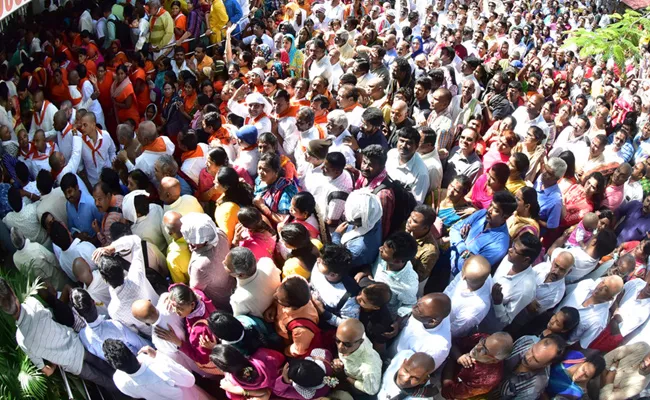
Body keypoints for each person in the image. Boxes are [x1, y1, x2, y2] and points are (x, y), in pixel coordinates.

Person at [0, 278, 118, 392]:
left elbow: (47, 372)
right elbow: (51, 317)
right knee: (108, 367)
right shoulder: (32, 303)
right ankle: (131, 384)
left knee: (103, 381)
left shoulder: (22, 341)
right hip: (79, 344)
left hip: (73, 365)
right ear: (13, 293)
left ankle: (127, 394)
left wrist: (53, 362)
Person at [94, 235, 160, 336]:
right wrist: (112, 247)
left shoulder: (114, 310)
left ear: (104, 280)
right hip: (163, 312)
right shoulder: (136, 277)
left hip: (153, 334)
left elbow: (133, 331)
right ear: (121, 269)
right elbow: (136, 241)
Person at [102, 340, 212, 400]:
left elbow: (136, 396)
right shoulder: (158, 365)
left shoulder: (118, 380)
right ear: (131, 352)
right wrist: (157, 355)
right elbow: (189, 380)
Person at [481, 233, 542, 333]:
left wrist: (498, 303)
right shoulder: (509, 258)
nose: (510, 250)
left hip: (486, 325)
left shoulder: (525, 290)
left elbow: (506, 320)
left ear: (526, 259)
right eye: (513, 245)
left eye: (515, 250)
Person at [155, 284, 219, 376]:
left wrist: (178, 343)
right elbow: (179, 286)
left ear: (192, 305)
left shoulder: (199, 330)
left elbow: (203, 359)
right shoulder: (197, 295)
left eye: (180, 309)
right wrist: (171, 295)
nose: (176, 312)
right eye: (174, 306)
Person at [448, 190, 516, 277]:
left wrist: (462, 248)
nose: (489, 210)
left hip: (460, 276)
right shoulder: (482, 214)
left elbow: (475, 266)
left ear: (505, 217)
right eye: (491, 205)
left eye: (495, 210)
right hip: (448, 259)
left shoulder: (499, 244)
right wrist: (465, 248)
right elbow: (454, 229)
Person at [71, 288, 150, 361]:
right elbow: (142, 344)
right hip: (141, 360)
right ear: (93, 302)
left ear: (79, 314)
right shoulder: (114, 325)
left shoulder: (83, 336)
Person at [180, 212, 233, 311]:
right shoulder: (220, 234)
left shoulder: (200, 266)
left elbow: (195, 291)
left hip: (220, 302)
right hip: (230, 288)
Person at [489, 334, 567, 399]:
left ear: (546, 365)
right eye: (531, 350)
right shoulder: (527, 340)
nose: (528, 357)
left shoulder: (533, 388)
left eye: (536, 360)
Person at [556, 275, 625, 348]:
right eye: (602, 282)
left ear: (609, 298)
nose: (600, 287)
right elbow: (564, 292)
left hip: (558, 340)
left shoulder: (598, 321)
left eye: (606, 289)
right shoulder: (586, 285)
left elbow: (581, 345)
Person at [441, 332, 514, 399]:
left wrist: (452, 360)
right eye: (483, 342)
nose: (478, 347)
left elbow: (448, 393)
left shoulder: (487, 380)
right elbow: (453, 342)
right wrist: (458, 356)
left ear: (493, 360)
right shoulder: (484, 339)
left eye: (484, 351)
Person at [265, 276, 321, 358]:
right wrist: (273, 306)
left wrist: (285, 351)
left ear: (292, 306)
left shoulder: (302, 330)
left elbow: (299, 349)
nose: (274, 295)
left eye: (279, 300)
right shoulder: (291, 282)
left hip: (285, 340)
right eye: (277, 291)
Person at [392, 293, 452, 369]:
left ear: (432, 321)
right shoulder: (427, 310)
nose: (413, 307)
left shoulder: (437, 348)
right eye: (417, 303)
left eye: (418, 310)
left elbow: (419, 372)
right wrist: (398, 322)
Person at [209, 344, 285, 399]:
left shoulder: (229, 384)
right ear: (237, 352)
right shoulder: (264, 355)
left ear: (223, 369)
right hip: (286, 388)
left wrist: (240, 391)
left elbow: (236, 398)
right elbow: (282, 358)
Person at [331, 191, 383, 271]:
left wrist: (336, 235)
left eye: (352, 219)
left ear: (362, 220)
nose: (345, 214)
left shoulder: (359, 249)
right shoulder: (374, 215)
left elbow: (339, 260)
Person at [310, 243, 360, 326]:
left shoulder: (348, 298)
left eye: (322, 262)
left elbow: (349, 325)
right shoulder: (318, 265)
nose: (318, 260)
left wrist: (323, 312)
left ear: (333, 274)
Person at [444, 255, 493, 338]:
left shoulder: (475, 309)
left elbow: (454, 331)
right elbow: (450, 287)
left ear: (464, 277)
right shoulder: (476, 274)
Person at [224, 247, 281, 318]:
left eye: (226, 266)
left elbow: (240, 319)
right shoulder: (267, 262)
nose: (223, 262)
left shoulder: (240, 299)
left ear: (241, 275)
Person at [332, 319, 382, 397]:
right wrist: (337, 359)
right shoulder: (353, 336)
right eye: (337, 340)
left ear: (361, 341)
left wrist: (347, 378)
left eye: (347, 344)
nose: (340, 347)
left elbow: (371, 390)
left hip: (356, 388)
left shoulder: (369, 368)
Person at [385, 126, 430, 204]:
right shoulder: (391, 154)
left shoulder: (421, 173)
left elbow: (416, 203)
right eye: (401, 141)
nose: (403, 145)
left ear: (416, 146)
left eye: (409, 143)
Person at [405, 205, 439, 295]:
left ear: (425, 228)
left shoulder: (430, 251)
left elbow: (419, 277)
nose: (409, 221)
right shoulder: (407, 228)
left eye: (414, 221)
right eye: (410, 217)